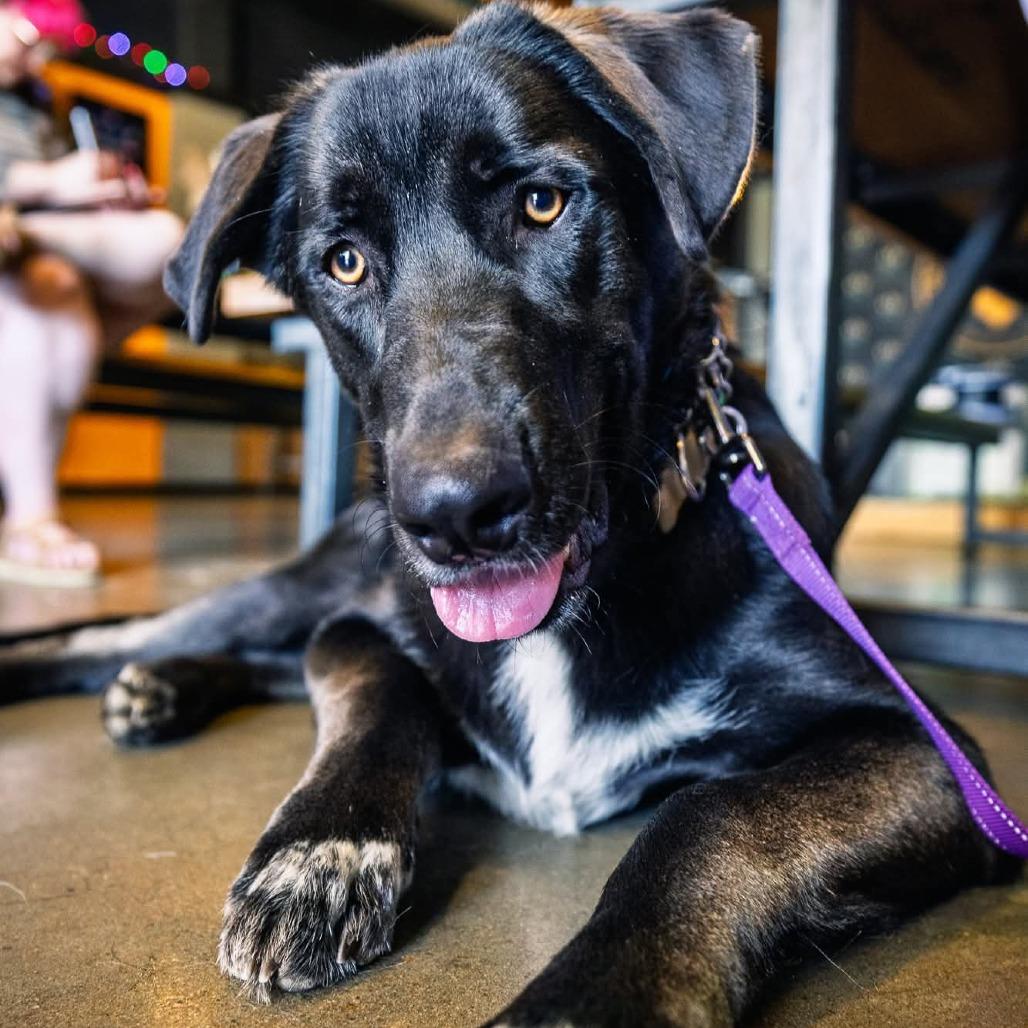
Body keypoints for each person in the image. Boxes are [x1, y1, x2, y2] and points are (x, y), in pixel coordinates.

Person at [0, 0, 183, 586]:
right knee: (54, 293)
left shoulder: (35, 102)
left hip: (36, 257)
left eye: (49, 50)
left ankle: (16, 232)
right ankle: (30, 520)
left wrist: (92, 197)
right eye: (27, 36)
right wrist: (51, 181)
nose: (37, 58)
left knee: (167, 246)